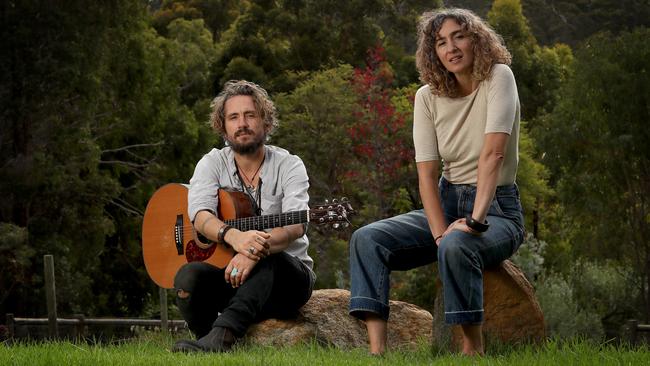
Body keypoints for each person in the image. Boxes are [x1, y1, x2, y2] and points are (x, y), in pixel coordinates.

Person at [348, 8, 525, 356]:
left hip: (498, 209)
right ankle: (376, 354)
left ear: (477, 40)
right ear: (433, 52)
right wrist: (440, 233)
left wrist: (475, 221)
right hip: (445, 201)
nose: (451, 48)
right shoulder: (426, 97)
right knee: (366, 239)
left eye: (459, 36)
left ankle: (471, 350)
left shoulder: (499, 77)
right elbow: (427, 173)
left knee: (457, 246)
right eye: (441, 42)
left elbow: (493, 155)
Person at [172, 80, 315, 353]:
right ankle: (205, 340)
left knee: (272, 260)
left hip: (285, 283)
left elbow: (296, 225)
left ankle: (221, 338)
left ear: (266, 122)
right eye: (233, 117)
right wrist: (233, 236)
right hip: (232, 278)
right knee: (188, 276)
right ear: (223, 126)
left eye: (250, 115)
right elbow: (200, 216)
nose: (242, 124)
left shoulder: (290, 165)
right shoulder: (211, 163)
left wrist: (253, 250)